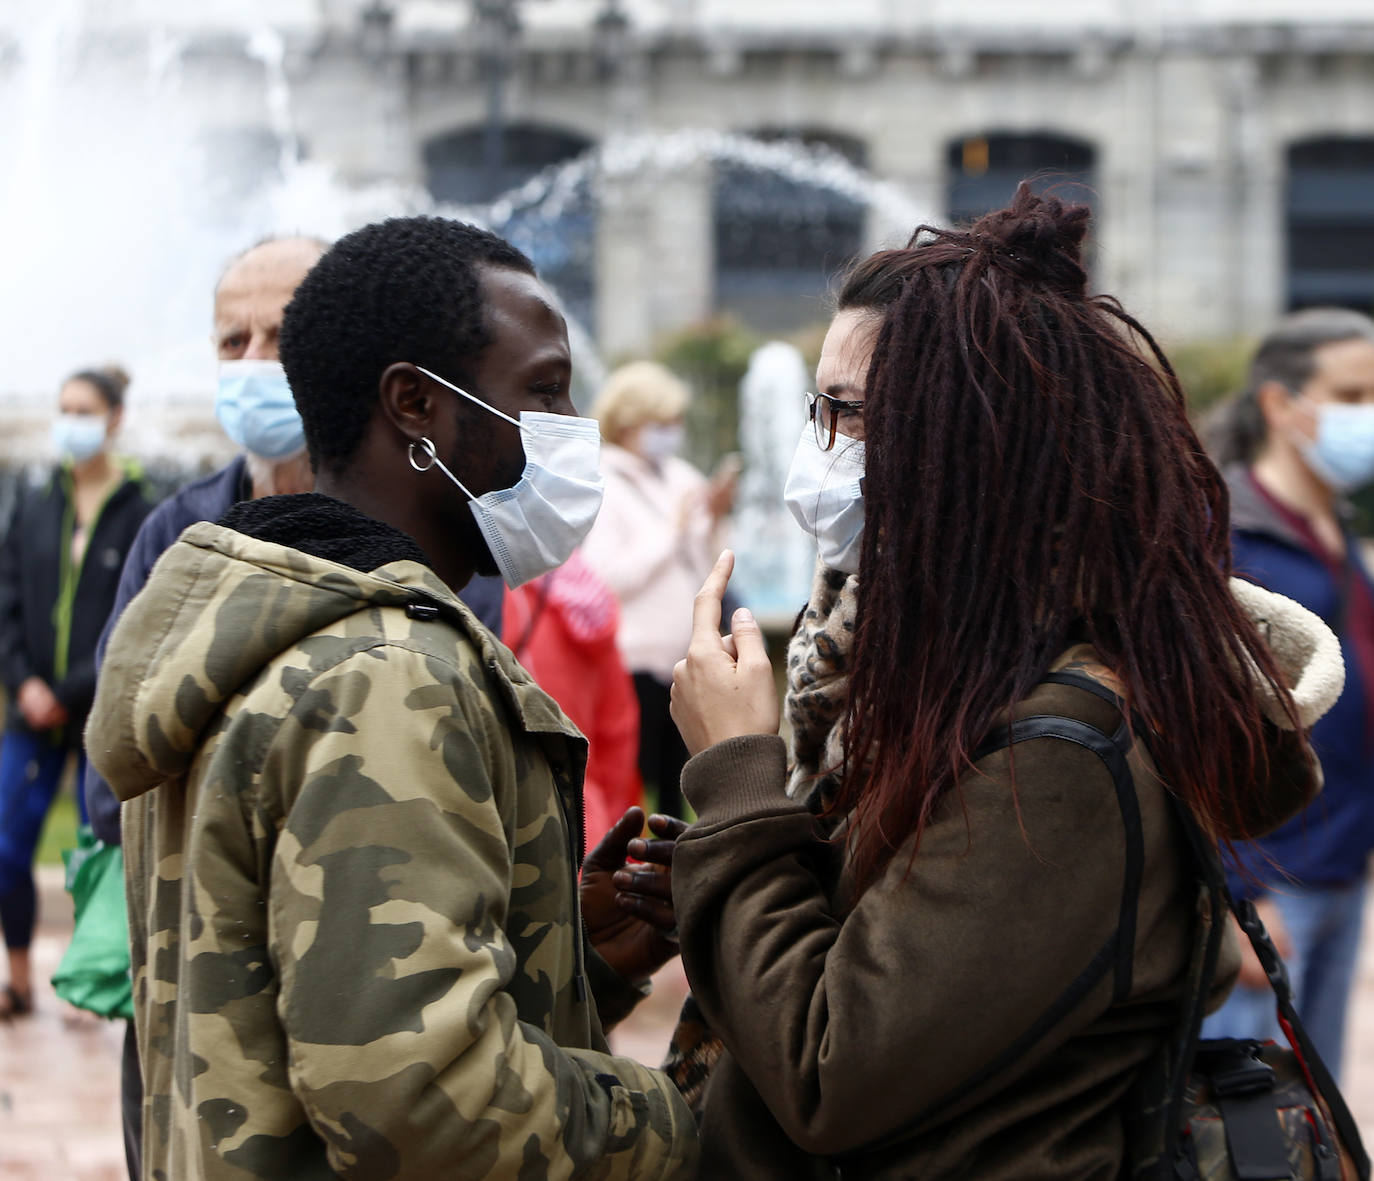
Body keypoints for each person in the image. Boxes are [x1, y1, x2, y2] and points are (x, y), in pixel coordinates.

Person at [658, 188, 1331, 1179]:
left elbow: (830, 1069)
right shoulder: (926, 668)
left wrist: (735, 778)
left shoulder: (1058, 747)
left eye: (850, 411)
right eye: (817, 406)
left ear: (971, 446)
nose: (820, 447)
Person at [86, 216, 697, 1180]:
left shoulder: (270, 626)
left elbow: (313, 1004)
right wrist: (686, 1118)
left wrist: (570, 960)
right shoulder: (384, 675)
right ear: (416, 405)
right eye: (542, 390)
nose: (569, 426)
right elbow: (426, 1104)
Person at [1198, 307, 1374, 1083]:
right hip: (1272, 886)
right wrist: (1237, 897)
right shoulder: (1228, 539)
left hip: (1338, 864)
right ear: (1280, 404)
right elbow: (1193, 726)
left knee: (1320, 1109)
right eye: (1353, 392)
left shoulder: (1324, 523)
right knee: (1255, 1119)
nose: (1368, 414)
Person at [0, 364, 152, 1020]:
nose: (72, 421)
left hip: (100, 709)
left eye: (84, 409)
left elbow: (139, 614)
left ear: (115, 417)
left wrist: (70, 688)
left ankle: (93, 980)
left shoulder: (142, 509)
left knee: (102, 841)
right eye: (64, 407)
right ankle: (18, 973)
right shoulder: (36, 501)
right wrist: (25, 681)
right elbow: (5, 597)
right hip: (29, 709)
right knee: (6, 840)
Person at [582, 361, 736, 819]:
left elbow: (707, 564)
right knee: (638, 790)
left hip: (683, 658)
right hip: (633, 663)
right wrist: (672, 532)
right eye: (661, 423)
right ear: (628, 423)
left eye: (675, 422)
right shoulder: (600, 483)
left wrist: (717, 516)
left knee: (684, 787)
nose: (672, 432)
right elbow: (605, 579)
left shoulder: (682, 476)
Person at [502, 549, 642, 851]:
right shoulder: (592, 603)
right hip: (587, 826)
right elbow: (618, 736)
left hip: (510, 828)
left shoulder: (495, 598)